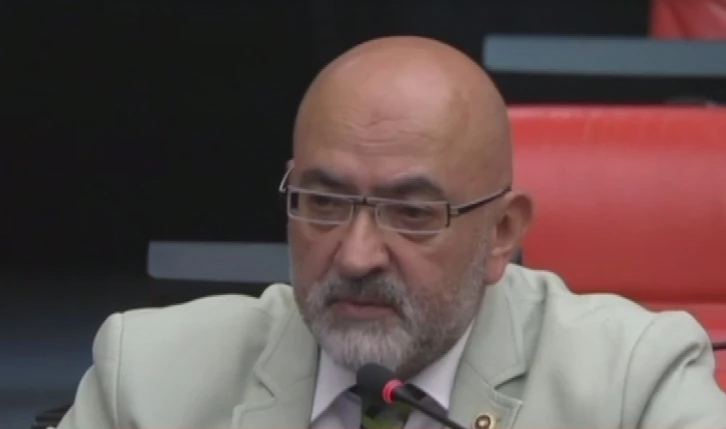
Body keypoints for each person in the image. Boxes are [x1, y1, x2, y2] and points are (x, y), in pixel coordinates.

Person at [56, 36, 726, 429]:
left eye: (412, 213)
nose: (355, 255)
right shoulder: (145, 378)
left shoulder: (633, 382)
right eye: (324, 201)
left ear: (501, 231)